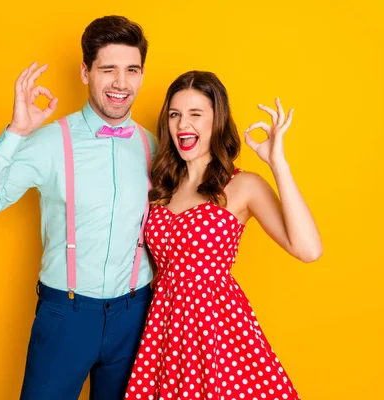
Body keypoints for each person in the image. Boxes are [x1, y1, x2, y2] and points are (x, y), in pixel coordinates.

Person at [0, 15, 157, 400]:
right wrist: (16, 133)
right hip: (66, 315)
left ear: (142, 75)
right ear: (85, 72)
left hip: (136, 315)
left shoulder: (154, 145)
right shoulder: (48, 141)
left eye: (131, 70)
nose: (121, 83)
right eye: (108, 69)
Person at [125, 71, 322, 400]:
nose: (182, 125)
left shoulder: (242, 185)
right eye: (175, 115)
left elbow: (308, 249)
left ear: (217, 121)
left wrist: (278, 162)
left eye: (195, 114)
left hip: (218, 333)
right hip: (164, 334)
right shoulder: (161, 186)